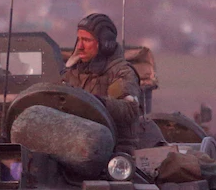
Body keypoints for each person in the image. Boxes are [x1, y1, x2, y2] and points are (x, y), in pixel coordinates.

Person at [62, 13, 163, 152]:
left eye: (86, 40)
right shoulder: (72, 73)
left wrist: (95, 102)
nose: (79, 46)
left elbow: (129, 109)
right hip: (77, 145)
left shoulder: (120, 73)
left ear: (105, 44)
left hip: (114, 149)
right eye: (78, 39)